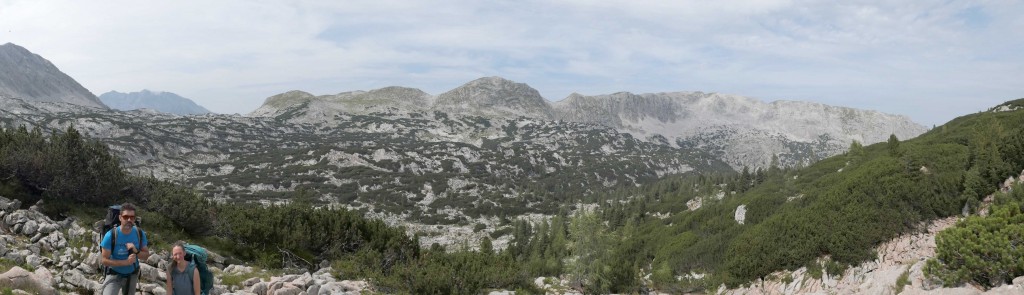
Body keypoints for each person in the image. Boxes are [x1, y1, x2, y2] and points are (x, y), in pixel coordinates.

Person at [100, 203, 151, 295]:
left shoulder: (139, 233)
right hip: (114, 274)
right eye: (126, 217)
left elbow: (146, 256)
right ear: (120, 218)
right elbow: (104, 260)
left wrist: (136, 251)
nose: (129, 220)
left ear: (134, 219)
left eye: (132, 217)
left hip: (132, 275)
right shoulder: (110, 235)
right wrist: (125, 262)